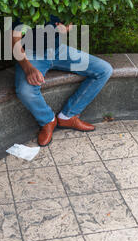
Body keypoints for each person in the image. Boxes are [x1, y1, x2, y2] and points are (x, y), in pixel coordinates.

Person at [12, 15, 113, 146]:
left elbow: (70, 18)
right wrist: (28, 68)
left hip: (59, 50)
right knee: (25, 90)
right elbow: (14, 41)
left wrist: (67, 26)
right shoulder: (25, 4)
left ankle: (68, 116)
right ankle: (48, 120)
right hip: (32, 54)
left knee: (104, 69)